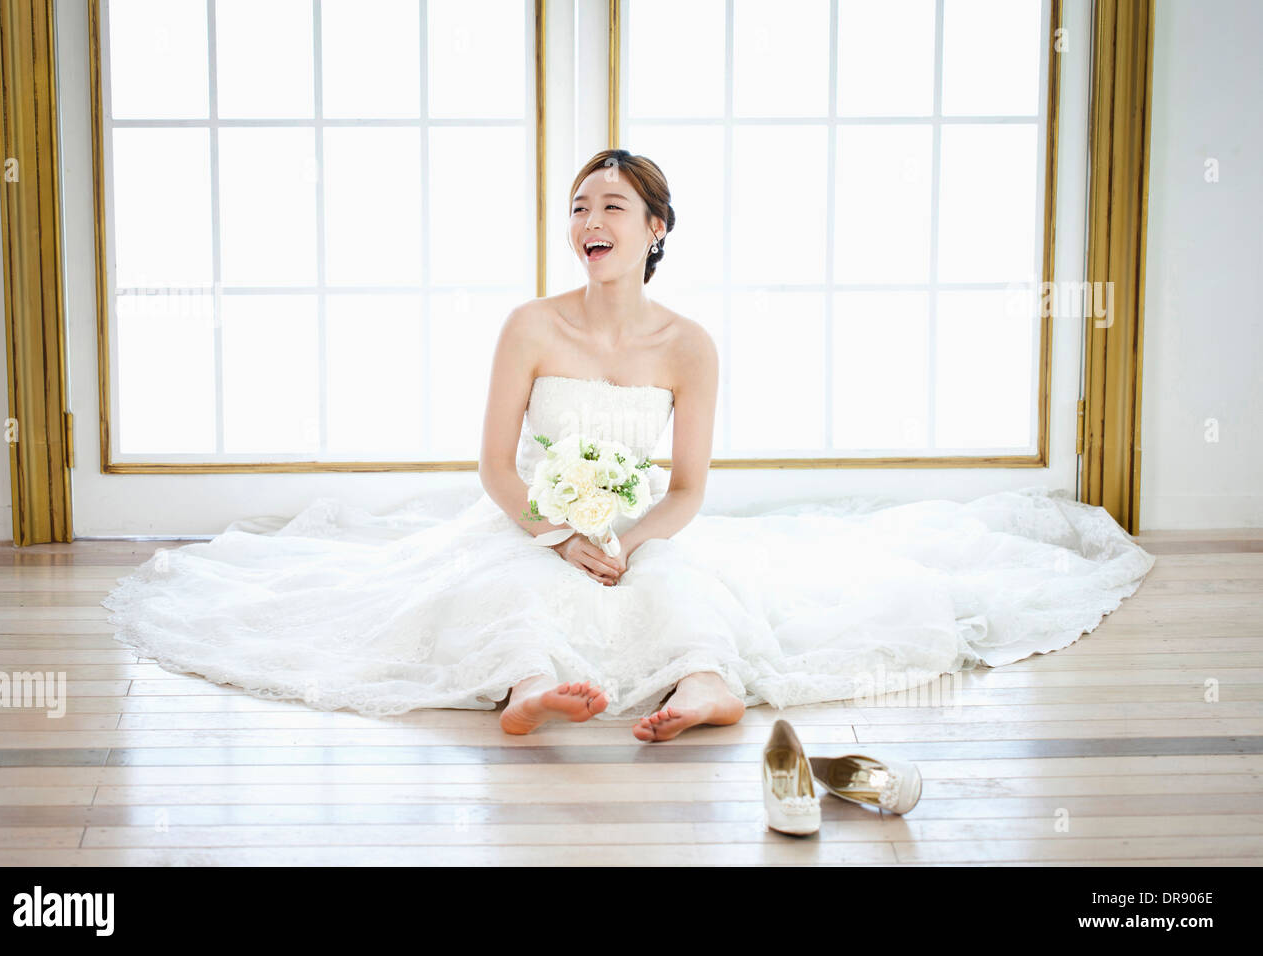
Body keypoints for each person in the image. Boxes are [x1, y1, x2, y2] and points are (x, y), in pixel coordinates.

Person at [101, 149, 1157, 743]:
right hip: (536, 515)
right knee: (515, 586)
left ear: (655, 227)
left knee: (680, 587)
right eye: (576, 207)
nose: (588, 219)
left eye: (611, 204)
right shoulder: (530, 324)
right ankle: (528, 684)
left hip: (643, 521)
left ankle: (705, 686)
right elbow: (493, 465)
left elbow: (691, 483)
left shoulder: (687, 344)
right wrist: (556, 530)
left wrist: (632, 536)